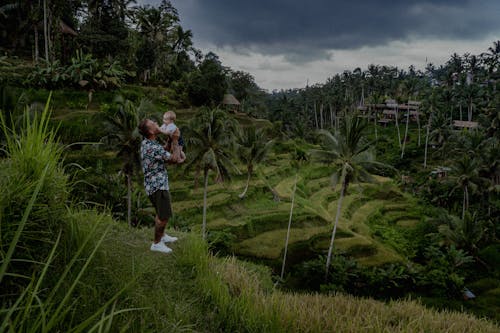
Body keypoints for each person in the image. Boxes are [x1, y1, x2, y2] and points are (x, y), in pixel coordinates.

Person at [138, 118, 178, 254]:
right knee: (164, 216)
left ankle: (162, 236)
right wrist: (176, 140)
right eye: (153, 124)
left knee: (161, 213)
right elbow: (174, 158)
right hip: (158, 186)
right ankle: (156, 243)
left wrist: (168, 139)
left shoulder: (147, 143)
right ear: (150, 131)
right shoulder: (152, 146)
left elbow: (162, 151)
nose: (156, 123)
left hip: (153, 185)